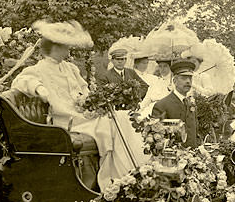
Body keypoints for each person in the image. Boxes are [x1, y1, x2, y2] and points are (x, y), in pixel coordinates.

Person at [11, 20, 147, 189]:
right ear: (55, 47)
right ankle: (115, 178)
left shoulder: (70, 68)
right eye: (65, 46)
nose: (68, 50)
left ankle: (129, 172)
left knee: (123, 117)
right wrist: (39, 89)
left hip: (84, 116)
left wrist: (95, 103)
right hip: (67, 122)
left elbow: (86, 91)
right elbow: (22, 80)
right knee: (113, 123)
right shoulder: (39, 68)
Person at [152, 59, 198, 147]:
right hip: (173, 157)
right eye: (184, 78)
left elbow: (194, 132)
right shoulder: (162, 105)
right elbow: (157, 139)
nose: (188, 81)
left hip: (193, 156)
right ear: (175, 81)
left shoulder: (191, 103)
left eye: (190, 78)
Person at [135, 51, 171, 117]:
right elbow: (147, 99)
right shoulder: (156, 81)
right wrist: (138, 108)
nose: (162, 69)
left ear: (170, 67)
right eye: (160, 66)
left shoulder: (173, 82)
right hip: (151, 109)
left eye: (165, 66)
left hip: (165, 111)